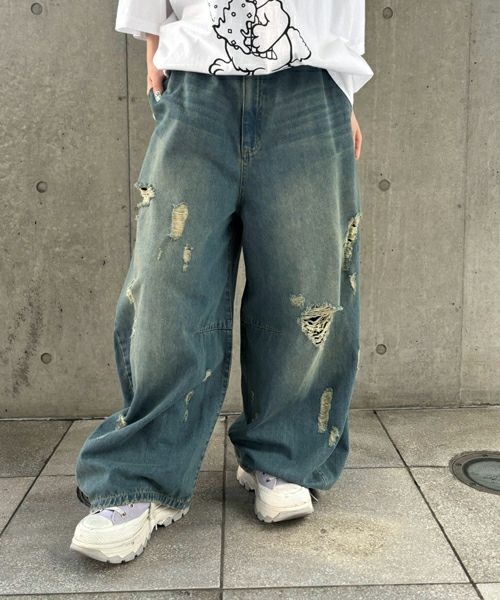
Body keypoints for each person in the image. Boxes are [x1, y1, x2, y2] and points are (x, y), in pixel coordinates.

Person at [71, 0, 374, 564]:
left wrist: (342, 91)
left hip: (312, 82)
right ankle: (141, 475)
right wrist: (153, 45)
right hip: (198, 78)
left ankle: (283, 456)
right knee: (166, 289)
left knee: (307, 287)